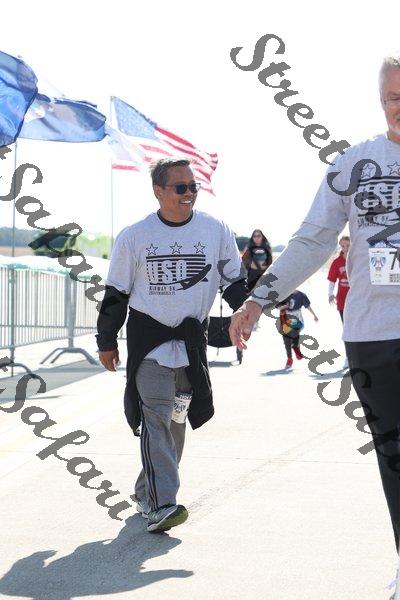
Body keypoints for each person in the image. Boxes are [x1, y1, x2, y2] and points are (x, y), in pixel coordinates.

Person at [230, 54, 400, 598]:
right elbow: (313, 239)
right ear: (381, 101)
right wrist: (259, 300)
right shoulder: (354, 163)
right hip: (374, 335)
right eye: (394, 97)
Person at [96, 158, 247, 533]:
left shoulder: (215, 230)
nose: (189, 193)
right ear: (159, 191)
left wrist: (246, 313)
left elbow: (233, 282)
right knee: (157, 418)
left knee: (176, 423)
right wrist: (106, 340)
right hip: (150, 343)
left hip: (191, 344)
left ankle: (146, 491)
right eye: (181, 187)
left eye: (193, 186)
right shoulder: (135, 236)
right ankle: (162, 504)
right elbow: (116, 293)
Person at [277, 290, 318, 369]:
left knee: (293, 335)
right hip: (285, 318)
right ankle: (289, 358)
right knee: (287, 340)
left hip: (297, 319)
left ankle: (296, 347)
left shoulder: (301, 295)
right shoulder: (284, 294)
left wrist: (314, 315)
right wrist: (284, 306)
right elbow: (277, 306)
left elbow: (307, 306)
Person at [327, 236, 350, 323]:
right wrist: (330, 294)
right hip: (342, 299)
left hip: (356, 298)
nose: (345, 248)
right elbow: (332, 280)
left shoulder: (357, 260)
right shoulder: (336, 262)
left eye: (348, 245)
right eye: (343, 246)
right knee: (346, 325)